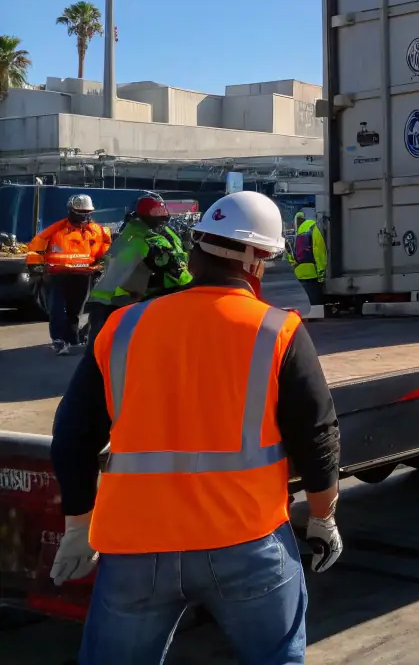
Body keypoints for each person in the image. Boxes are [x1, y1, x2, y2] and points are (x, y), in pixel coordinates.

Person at [48, 190, 343, 664]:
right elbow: (318, 436)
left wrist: (78, 525)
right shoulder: (278, 330)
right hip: (246, 543)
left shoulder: (121, 327)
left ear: (196, 249)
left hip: (135, 546)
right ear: (256, 261)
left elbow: (73, 437)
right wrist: (323, 514)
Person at [85, 194, 192, 343]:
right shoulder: (143, 237)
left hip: (121, 297)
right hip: (123, 298)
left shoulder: (138, 235)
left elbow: (175, 261)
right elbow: (171, 265)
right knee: (105, 347)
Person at [26, 194, 111, 355]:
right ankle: (59, 341)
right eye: (80, 211)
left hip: (83, 275)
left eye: (86, 211)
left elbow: (105, 251)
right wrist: (36, 266)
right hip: (57, 275)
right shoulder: (56, 229)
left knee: (76, 310)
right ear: (71, 210)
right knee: (57, 310)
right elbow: (35, 247)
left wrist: (101, 265)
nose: (83, 215)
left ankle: (72, 340)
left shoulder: (97, 231)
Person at [284, 211, 327, 311]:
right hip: (312, 274)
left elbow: (292, 257)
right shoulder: (313, 228)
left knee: (305, 309)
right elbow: (319, 251)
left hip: (299, 275)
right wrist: (321, 273)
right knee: (316, 308)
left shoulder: (298, 233)